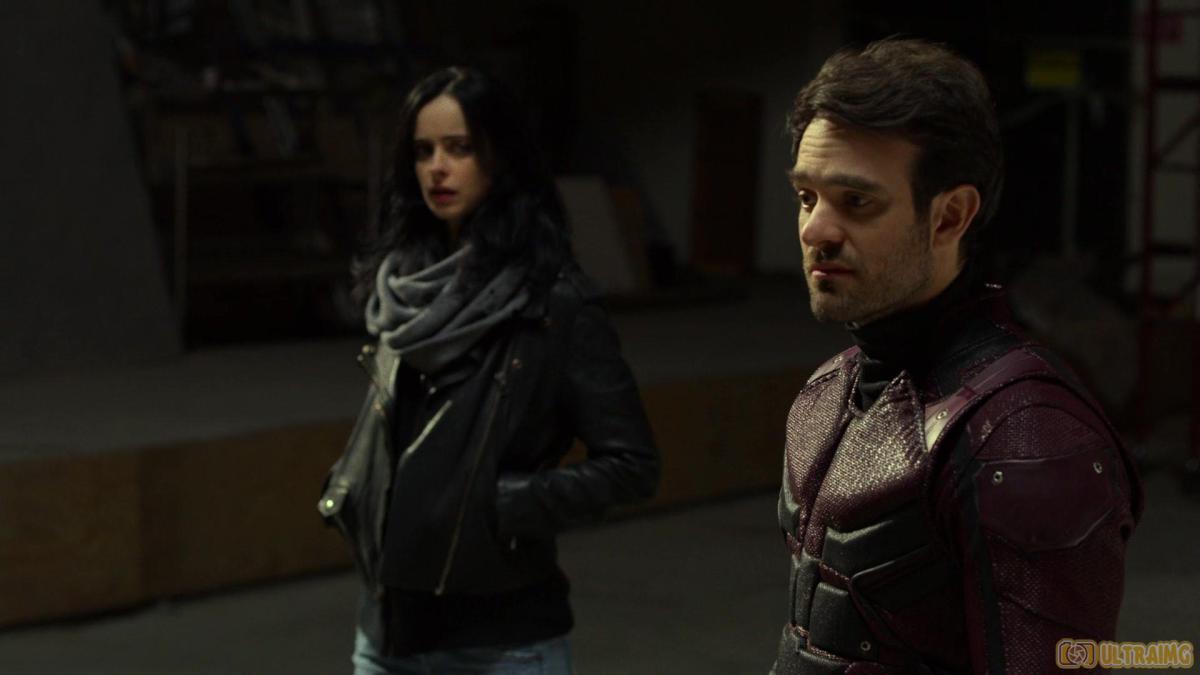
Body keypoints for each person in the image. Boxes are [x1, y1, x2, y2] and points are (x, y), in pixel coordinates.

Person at [773, 38, 1142, 674]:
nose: (815, 230)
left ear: (950, 216)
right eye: (807, 197)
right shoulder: (829, 393)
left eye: (856, 201)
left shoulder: (1023, 433)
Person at [318, 66, 659, 675]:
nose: (437, 168)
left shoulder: (553, 303)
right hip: (387, 631)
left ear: (502, 156)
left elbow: (632, 465)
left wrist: (506, 505)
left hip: (501, 642)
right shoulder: (402, 289)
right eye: (423, 151)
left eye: (459, 148)